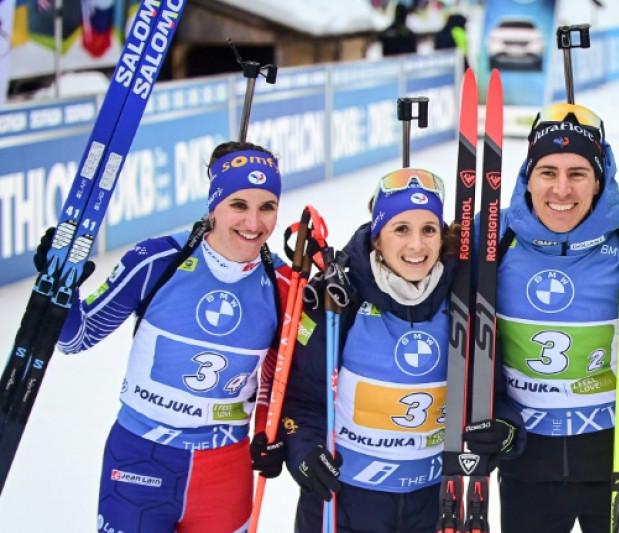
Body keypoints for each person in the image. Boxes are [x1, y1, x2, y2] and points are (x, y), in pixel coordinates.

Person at [49, 141, 285, 531]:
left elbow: (277, 381)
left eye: (267, 207)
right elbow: (77, 339)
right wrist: (60, 292)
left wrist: (269, 436)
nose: (254, 223)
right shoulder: (158, 260)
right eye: (239, 205)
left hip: (225, 471)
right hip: (139, 462)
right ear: (214, 205)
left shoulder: (280, 283)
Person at [280, 168, 504, 532]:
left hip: (434, 505)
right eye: (401, 229)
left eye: (428, 230)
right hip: (344, 504)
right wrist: (304, 453)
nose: (416, 245)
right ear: (377, 238)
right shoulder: (339, 298)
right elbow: (301, 400)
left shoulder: (464, 298)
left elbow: (494, 397)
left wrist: (502, 431)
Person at [492, 102, 619, 532]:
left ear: (599, 180)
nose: (561, 190)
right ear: (527, 177)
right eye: (548, 172)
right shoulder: (493, 236)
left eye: (578, 174)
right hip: (525, 463)